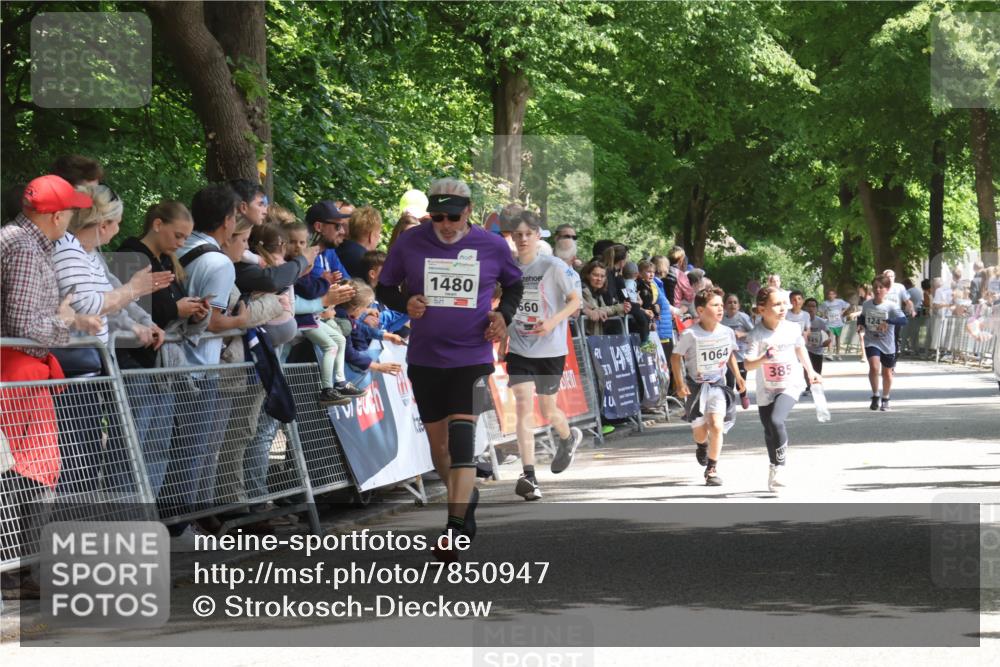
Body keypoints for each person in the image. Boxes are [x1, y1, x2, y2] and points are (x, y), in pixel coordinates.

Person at [376, 178, 522, 560]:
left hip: (472, 358)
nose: (445, 224)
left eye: (452, 216)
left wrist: (503, 315)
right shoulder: (410, 242)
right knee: (439, 447)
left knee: (461, 445)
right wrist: (407, 300)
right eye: (437, 216)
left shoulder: (491, 246)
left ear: (468, 211)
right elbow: (385, 288)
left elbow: (515, 285)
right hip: (425, 357)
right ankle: (464, 497)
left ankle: (454, 528)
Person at [1, 175, 99, 591]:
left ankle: (31, 567)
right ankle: (29, 569)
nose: (74, 218)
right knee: (28, 473)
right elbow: (25, 323)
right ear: (57, 216)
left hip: (19, 373)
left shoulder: (15, 240)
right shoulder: (23, 249)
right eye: (72, 211)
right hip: (16, 374)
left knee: (26, 472)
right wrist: (66, 322)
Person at [52, 183, 168, 496]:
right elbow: (91, 305)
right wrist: (134, 289)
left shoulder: (88, 254)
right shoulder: (66, 250)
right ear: (103, 225)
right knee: (74, 463)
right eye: (117, 224)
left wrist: (138, 324)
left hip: (89, 367)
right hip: (69, 373)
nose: (118, 231)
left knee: (86, 461)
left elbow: (108, 301)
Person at [503, 210, 583, 501]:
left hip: (550, 349)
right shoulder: (508, 268)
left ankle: (568, 436)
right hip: (521, 346)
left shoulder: (552, 266)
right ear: (511, 237)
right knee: (524, 406)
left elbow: (576, 301)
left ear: (538, 236)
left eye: (528, 234)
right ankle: (528, 476)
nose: (523, 239)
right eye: (517, 234)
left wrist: (551, 321)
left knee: (548, 411)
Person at [743, 287, 822, 492]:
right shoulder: (756, 335)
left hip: (790, 383)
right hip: (767, 388)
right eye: (776, 304)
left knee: (776, 420)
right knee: (769, 429)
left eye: (784, 303)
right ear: (761, 309)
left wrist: (811, 371)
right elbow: (748, 364)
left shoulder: (792, 328)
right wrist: (763, 358)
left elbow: (800, 349)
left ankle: (780, 466)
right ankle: (773, 465)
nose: (783, 308)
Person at [671, 287, 745, 487]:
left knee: (717, 425)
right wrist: (680, 383)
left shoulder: (727, 332)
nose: (721, 309)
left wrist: (738, 377)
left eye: (722, 305)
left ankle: (712, 469)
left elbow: (730, 354)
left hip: (718, 386)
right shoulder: (690, 334)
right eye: (715, 305)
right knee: (701, 432)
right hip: (696, 388)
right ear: (701, 311)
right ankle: (701, 446)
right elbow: (676, 358)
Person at [283, 220, 360, 405]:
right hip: (300, 320)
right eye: (293, 242)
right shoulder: (290, 267)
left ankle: (340, 382)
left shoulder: (304, 266)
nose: (298, 247)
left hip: (310, 317)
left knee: (340, 339)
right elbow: (309, 291)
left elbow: (313, 289)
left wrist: (324, 282)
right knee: (330, 346)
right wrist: (325, 283)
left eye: (302, 243)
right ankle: (327, 388)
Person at [857, 274, 908, 411]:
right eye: (875, 287)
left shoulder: (891, 306)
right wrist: (861, 325)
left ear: (887, 289)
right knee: (874, 367)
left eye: (881, 287)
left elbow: (904, 320)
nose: (878, 290)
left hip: (887, 343)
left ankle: (885, 397)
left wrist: (888, 321)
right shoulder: (867, 304)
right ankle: (875, 395)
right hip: (871, 340)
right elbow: (862, 317)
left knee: (887, 372)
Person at [721, 293, 753, 409]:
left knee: (740, 381)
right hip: (728, 356)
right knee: (729, 381)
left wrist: (742, 334)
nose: (732, 305)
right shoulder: (721, 318)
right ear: (724, 306)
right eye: (729, 302)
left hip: (741, 355)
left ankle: (743, 395)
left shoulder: (743, 317)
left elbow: (754, 333)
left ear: (738, 306)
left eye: (735, 302)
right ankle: (729, 403)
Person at [580, 260, 628, 335]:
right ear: (588, 275)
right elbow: (596, 309)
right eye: (595, 275)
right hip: (584, 339)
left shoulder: (599, 293)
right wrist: (617, 308)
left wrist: (622, 307)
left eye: (602, 276)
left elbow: (603, 310)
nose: (599, 279)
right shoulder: (583, 290)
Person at [337, 206, 382, 279]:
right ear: (371, 235)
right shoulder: (368, 263)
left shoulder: (336, 249)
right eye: (378, 233)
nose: (379, 238)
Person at [803, 297, 832, 376]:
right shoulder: (801, 320)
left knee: (817, 374)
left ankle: (814, 386)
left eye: (813, 306)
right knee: (805, 372)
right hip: (804, 350)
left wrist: (829, 339)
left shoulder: (820, 321)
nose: (811, 308)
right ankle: (807, 386)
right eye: (809, 306)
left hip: (817, 351)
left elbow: (829, 332)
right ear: (805, 307)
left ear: (816, 309)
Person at [820, 288, 851, 355]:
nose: (831, 295)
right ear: (828, 295)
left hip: (838, 323)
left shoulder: (840, 301)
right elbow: (821, 310)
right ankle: (830, 354)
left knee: (838, 338)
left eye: (832, 294)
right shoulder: (825, 303)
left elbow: (848, 305)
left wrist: (842, 311)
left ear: (835, 295)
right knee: (830, 338)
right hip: (830, 323)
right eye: (829, 294)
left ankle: (838, 353)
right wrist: (824, 315)